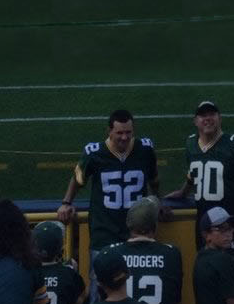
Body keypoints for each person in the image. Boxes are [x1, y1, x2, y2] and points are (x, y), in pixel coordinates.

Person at [165, 100, 234, 292]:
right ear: (196, 120)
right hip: (206, 229)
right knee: (209, 286)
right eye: (203, 115)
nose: (207, 119)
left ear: (220, 118)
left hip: (233, 227)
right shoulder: (191, 143)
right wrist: (184, 191)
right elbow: (194, 172)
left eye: (212, 114)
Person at [56, 108, 161, 255]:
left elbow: (153, 178)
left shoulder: (144, 149)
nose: (124, 137)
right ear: (109, 131)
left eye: (128, 132)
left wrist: (159, 200)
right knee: (100, 276)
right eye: (119, 133)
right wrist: (66, 203)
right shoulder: (94, 153)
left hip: (138, 232)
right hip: (104, 232)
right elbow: (78, 179)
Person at [104, 196, 185, 304]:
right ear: (154, 226)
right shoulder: (171, 253)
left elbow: (104, 300)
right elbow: (175, 299)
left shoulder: (110, 253)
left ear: (129, 225)